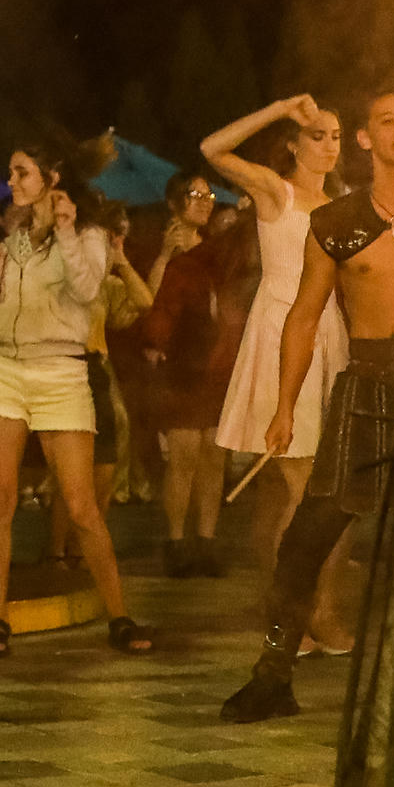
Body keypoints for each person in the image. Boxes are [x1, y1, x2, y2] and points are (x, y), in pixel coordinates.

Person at [224, 90, 394, 722]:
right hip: (367, 384)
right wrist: (284, 407)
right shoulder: (336, 222)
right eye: (388, 120)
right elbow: (303, 318)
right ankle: (273, 674)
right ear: (365, 139)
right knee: (304, 542)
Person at [0, 146, 152, 657]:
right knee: (0, 497)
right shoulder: (13, 238)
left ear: (51, 178)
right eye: (11, 171)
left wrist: (65, 230)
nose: (11, 180)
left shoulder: (89, 235)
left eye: (22, 172)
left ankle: (119, 615)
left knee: (80, 505)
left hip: (62, 370)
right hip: (7, 369)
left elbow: (86, 290)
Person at [206, 94, 345, 546]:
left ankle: (288, 577)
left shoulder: (337, 204)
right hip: (282, 328)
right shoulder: (276, 191)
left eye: (336, 137)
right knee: (302, 480)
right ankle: (297, 583)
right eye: (317, 136)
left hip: (328, 328)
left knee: (313, 480)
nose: (329, 146)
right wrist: (280, 110)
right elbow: (212, 150)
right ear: (293, 145)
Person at [127, 172, 246, 576]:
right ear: (174, 202)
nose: (204, 202)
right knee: (184, 455)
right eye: (195, 195)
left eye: (208, 196)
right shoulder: (164, 248)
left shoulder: (215, 250)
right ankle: (176, 541)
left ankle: (207, 540)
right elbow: (149, 302)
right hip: (179, 364)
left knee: (214, 454)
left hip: (215, 361)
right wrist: (164, 256)